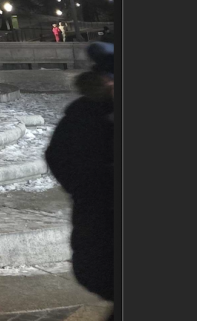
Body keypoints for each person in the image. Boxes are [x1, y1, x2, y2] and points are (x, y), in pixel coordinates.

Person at [46, 41, 114, 311]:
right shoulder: (85, 115)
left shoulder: (83, 113)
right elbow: (60, 158)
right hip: (103, 229)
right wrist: (94, 189)